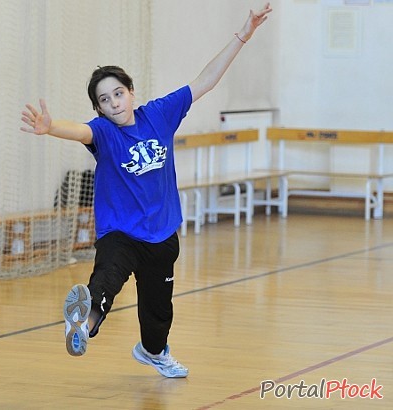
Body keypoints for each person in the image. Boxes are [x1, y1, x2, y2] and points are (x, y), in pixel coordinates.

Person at [20, 3, 272, 378]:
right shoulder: (104, 132)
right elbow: (80, 131)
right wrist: (51, 126)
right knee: (106, 279)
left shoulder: (159, 114)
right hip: (120, 232)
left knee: (158, 311)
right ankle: (84, 324)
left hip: (161, 233)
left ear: (131, 93)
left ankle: (153, 352)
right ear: (99, 109)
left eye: (118, 94)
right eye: (104, 100)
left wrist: (244, 34)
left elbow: (205, 81)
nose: (113, 103)